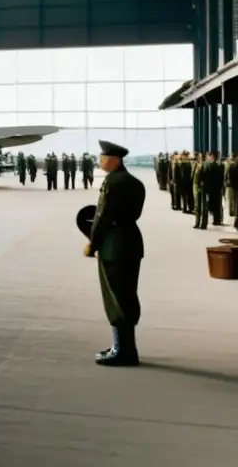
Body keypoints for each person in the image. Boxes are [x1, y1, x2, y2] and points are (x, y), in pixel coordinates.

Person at [84, 140, 145, 367]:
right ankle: (124, 346)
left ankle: (124, 351)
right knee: (127, 295)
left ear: (115, 159)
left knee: (116, 297)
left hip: (113, 245)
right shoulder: (134, 182)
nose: (100, 161)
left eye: (103, 157)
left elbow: (103, 217)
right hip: (131, 241)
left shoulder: (113, 182)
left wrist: (92, 243)